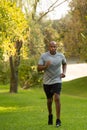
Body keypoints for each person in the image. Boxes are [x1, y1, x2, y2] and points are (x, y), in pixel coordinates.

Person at [37, 41, 67, 127]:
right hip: (47, 82)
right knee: (49, 100)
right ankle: (50, 115)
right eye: (51, 46)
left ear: (56, 47)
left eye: (54, 47)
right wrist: (45, 66)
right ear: (48, 47)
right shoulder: (44, 56)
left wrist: (64, 72)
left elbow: (64, 63)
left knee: (57, 98)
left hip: (57, 80)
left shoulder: (61, 56)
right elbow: (38, 68)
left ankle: (58, 120)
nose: (53, 48)